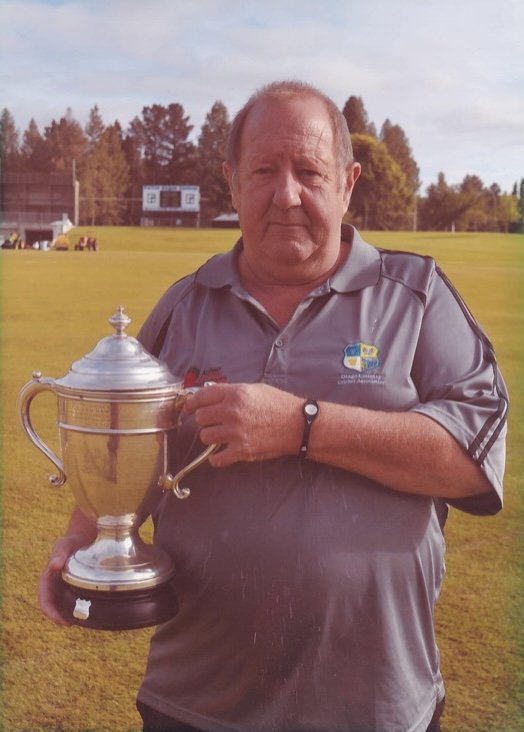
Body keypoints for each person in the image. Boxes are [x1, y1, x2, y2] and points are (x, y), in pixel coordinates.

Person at [39, 81, 508, 732]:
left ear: (348, 182)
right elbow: (125, 445)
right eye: (264, 170)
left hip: (375, 709)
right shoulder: (185, 304)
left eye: (309, 171)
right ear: (232, 183)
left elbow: (471, 460)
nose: (286, 193)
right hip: (195, 703)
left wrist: (299, 425)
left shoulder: (418, 296)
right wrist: (78, 542)